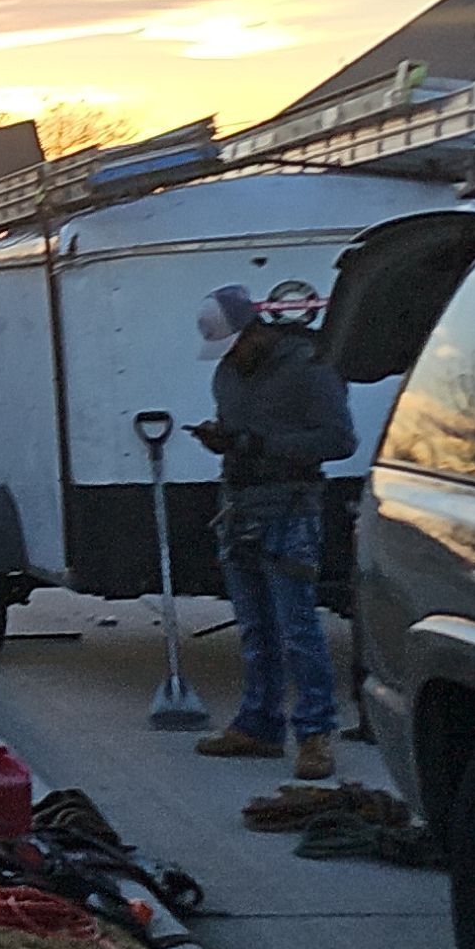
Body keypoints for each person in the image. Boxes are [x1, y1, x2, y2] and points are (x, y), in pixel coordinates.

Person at [189, 285, 357, 776]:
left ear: (255, 332)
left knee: (298, 629)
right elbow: (241, 434)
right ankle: (258, 726)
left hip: (291, 510)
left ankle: (315, 733)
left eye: (236, 344)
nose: (232, 356)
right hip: (241, 509)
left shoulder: (310, 368)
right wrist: (223, 441)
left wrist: (259, 444)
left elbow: (340, 440)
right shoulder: (227, 375)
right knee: (255, 628)